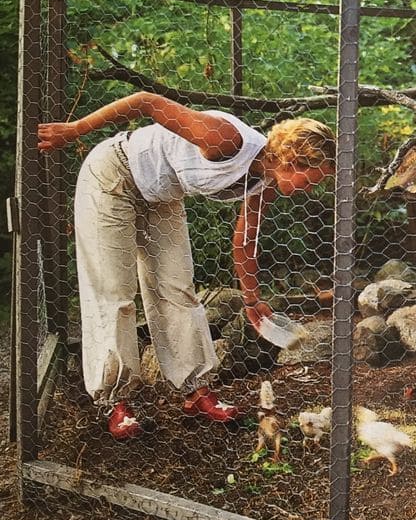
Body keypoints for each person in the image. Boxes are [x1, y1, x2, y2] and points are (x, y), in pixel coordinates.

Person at [37, 91, 335, 441]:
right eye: (314, 177)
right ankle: (116, 401)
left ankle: (195, 390)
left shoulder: (264, 181)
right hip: (114, 174)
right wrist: (75, 129)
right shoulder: (225, 139)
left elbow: (244, 241)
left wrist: (253, 302)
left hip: (161, 192)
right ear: (292, 160)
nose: (313, 187)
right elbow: (146, 102)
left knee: (176, 288)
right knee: (114, 291)